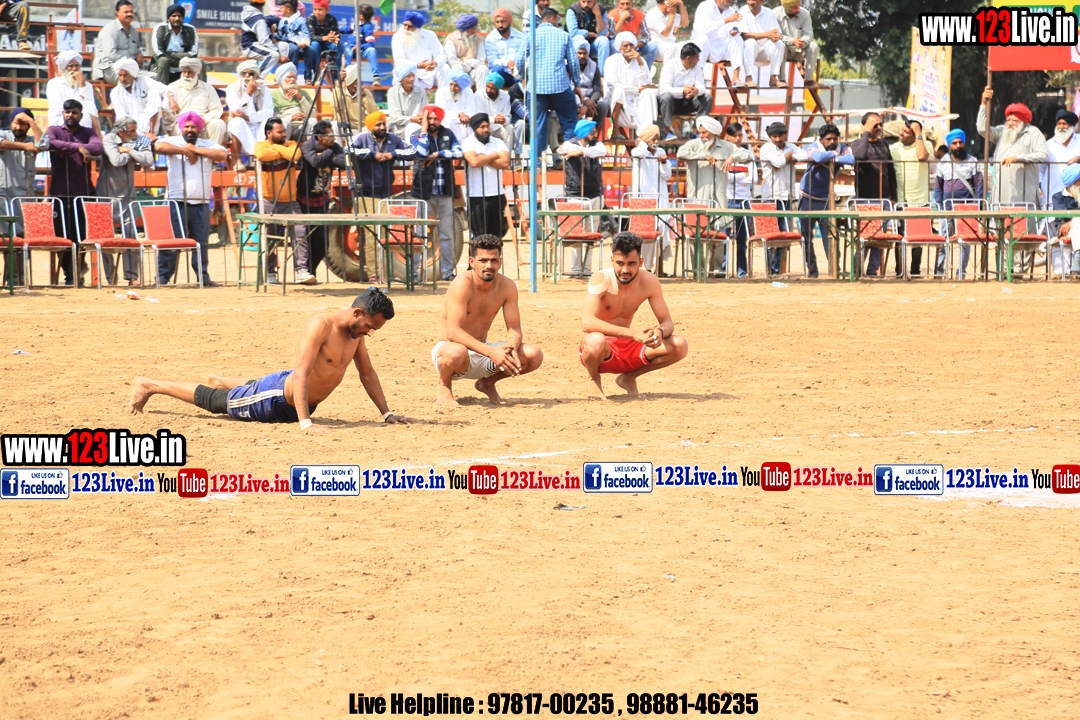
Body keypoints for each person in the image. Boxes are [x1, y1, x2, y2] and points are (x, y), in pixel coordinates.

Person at [129, 289, 410, 427]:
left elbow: (367, 374)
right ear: (357, 313)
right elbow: (301, 374)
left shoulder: (356, 335)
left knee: (252, 388)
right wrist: (305, 422)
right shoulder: (321, 325)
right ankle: (150, 385)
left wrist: (386, 414)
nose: (370, 332)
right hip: (275, 400)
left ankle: (222, 380)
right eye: (370, 326)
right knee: (217, 402)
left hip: (291, 393)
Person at [433, 234, 543, 406]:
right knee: (456, 352)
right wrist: (492, 352)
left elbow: (514, 328)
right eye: (483, 260)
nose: (489, 266)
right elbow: (453, 332)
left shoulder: (507, 286)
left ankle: (487, 383)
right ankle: (444, 384)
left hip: (483, 352)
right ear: (472, 261)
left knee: (533, 355)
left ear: (500, 262)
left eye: (494, 260)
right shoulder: (462, 284)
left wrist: (512, 346)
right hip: (452, 353)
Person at [580, 231, 688, 399]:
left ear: (641, 262)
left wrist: (659, 333)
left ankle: (628, 377)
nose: (625, 270)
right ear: (612, 261)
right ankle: (594, 379)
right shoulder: (601, 278)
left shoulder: (649, 281)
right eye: (620, 263)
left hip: (629, 347)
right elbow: (587, 323)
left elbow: (667, 323)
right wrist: (633, 333)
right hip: (602, 349)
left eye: (631, 264)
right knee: (595, 341)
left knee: (679, 345)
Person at [153, 113, 228, 287]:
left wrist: (194, 150)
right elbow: (159, 145)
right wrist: (184, 150)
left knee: (201, 242)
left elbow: (222, 154)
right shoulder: (173, 141)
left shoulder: (207, 144)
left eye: (193, 126)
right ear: (181, 128)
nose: (190, 129)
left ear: (199, 128)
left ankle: (203, 277)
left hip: (201, 202)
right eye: (186, 126)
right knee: (171, 241)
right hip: (175, 201)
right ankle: (163, 277)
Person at [677, 115, 754, 271]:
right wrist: (702, 156)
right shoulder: (693, 144)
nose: (702, 136)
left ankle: (716, 271)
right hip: (698, 200)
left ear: (713, 133)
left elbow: (748, 156)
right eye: (700, 132)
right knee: (696, 237)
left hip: (719, 200)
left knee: (718, 237)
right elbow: (680, 153)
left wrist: (732, 157)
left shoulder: (726, 146)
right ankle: (698, 270)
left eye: (704, 133)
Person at [351, 110, 415, 280]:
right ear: (371, 126)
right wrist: (373, 154)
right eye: (378, 124)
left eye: (383, 124)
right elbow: (349, 151)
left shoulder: (393, 139)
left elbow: (412, 151)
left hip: (385, 194)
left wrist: (393, 154)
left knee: (386, 235)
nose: (382, 127)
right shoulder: (362, 139)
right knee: (372, 236)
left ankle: (386, 273)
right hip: (366, 195)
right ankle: (374, 274)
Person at [46, 100, 102, 287]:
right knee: (61, 236)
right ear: (63, 113)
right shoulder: (54, 130)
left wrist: (69, 147)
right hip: (59, 193)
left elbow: (98, 147)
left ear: (81, 115)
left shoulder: (88, 132)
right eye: (67, 112)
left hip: (83, 193)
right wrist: (78, 147)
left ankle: (75, 273)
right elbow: (49, 142)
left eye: (74, 112)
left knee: (80, 235)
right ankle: (69, 272)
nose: (70, 115)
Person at [254, 117, 315, 285]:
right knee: (269, 238)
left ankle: (301, 270)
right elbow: (261, 154)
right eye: (279, 132)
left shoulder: (290, 144)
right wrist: (282, 152)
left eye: (284, 131)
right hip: (268, 200)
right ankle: (270, 272)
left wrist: (276, 148)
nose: (283, 134)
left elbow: (294, 155)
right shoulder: (260, 145)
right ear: (269, 133)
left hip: (290, 201)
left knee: (300, 232)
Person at [516, 8, 581, 157]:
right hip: (560, 86)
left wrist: (524, 77)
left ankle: (537, 161)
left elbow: (519, 60)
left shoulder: (530, 36)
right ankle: (571, 158)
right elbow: (573, 62)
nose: (558, 23)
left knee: (537, 124)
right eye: (558, 20)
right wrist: (576, 83)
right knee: (569, 122)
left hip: (536, 87)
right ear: (552, 19)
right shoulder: (564, 35)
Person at [97, 116, 154, 286]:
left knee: (131, 235)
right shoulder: (109, 139)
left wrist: (129, 151)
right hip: (107, 195)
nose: (135, 134)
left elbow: (149, 161)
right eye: (131, 131)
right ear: (121, 132)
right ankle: (111, 277)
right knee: (105, 237)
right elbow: (116, 160)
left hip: (128, 195)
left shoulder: (139, 140)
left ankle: (132, 276)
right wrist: (135, 154)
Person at [411, 105, 462, 281]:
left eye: (435, 119)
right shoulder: (416, 134)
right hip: (423, 192)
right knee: (419, 234)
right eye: (429, 118)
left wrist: (437, 155)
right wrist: (424, 130)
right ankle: (413, 274)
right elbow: (421, 152)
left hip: (444, 192)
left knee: (446, 235)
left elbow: (459, 151)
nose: (433, 122)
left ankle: (447, 273)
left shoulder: (448, 134)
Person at [798, 122, 853, 278]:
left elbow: (851, 159)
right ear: (821, 140)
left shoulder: (842, 147)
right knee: (806, 237)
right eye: (828, 139)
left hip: (826, 199)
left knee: (830, 237)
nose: (832, 142)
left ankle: (835, 270)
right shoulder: (814, 146)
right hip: (808, 197)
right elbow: (817, 157)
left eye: (835, 139)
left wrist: (833, 158)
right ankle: (813, 272)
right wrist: (835, 155)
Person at [977, 89, 1048, 206]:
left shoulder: (1033, 132)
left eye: (1014, 120)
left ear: (1024, 122)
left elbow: (1043, 155)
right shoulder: (1002, 132)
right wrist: (984, 103)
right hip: (1001, 191)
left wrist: (1018, 158)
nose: (1010, 123)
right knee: (1000, 216)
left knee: (1023, 217)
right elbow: (982, 129)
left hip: (1023, 192)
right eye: (1008, 120)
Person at [0, 109, 46, 284]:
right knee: (8, 238)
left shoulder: (33, 139)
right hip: (4, 196)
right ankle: (12, 280)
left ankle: (18, 280)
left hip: (25, 197)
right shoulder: (4, 135)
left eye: (23, 123)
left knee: (22, 237)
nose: (18, 127)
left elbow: (44, 144)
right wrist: (24, 147)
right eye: (16, 122)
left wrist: (33, 122)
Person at [558, 118, 607, 276]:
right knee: (575, 233)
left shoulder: (596, 144)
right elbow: (567, 149)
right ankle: (576, 269)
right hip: (575, 194)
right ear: (584, 133)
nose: (595, 135)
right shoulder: (569, 144)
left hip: (594, 193)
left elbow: (603, 151)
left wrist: (582, 152)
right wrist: (584, 152)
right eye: (592, 132)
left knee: (591, 233)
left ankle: (586, 268)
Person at [851, 111, 898, 276]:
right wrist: (866, 133)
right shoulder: (857, 143)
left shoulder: (884, 144)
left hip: (884, 198)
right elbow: (860, 156)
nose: (877, 127)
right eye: (873, 124)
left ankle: (872, 270)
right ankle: (857, 268)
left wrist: (894, 196)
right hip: (865, 198)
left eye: (879, 124)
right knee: (865, 234)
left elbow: (891, 171)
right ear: (864, 125)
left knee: (879, 236)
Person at [296, 120, 345, 277]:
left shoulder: (333, 146)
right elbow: (315, 162)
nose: (333, 138)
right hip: (304, 198)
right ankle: (303, 271)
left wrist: (326, 156)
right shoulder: (308, 145)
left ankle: (311, 270)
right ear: (319, 137)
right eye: (329, 135)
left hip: (322, 198)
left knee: (323, 242)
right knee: (305, 237)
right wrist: (330, 154)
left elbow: (345, 162)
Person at [933, 128, 983, 279]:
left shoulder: (972, 161)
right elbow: (938, 187)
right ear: (949, 145)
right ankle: (939, 272)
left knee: (965, 241)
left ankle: (961, 272)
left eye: (960, 142)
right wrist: (940, 206)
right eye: (954, 143)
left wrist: (978, 206)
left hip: (967, 208)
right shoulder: (943, 163)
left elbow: (979, 185)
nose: (958, 145)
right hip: (947, 208)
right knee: (943, 240)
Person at [759, 121, 806, 274]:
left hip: (787, 196)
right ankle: (770, 270)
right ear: (770, 137)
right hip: (771, 196)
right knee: (771, 235)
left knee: (784, 234)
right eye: (774, 137)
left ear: (785, 135)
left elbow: (805, 155)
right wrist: (790, 156)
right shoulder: (766, 148)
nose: (778, 139)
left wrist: (788, 156)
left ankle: (777, 270)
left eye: (780, 136)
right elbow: (779, 162)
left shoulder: (790, 146)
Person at [890, 118, 931, 275]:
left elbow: (922, 156)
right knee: (899, 236)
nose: (901, 133)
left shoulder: (925, 145)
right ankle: (900, 270)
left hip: (919, 199)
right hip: (900, 199)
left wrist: (918, 131)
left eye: (906, 132)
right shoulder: (894, 148)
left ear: (915, 135)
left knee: (917, 238)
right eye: (902, 130)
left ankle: (915, 270)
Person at [629, 124, 671, 273]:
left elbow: (667, 175)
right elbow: (639, 152)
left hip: (660, 199)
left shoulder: (661, 152)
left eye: (657, 138)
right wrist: (643, 142)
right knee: (644, 233)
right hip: (643, 200)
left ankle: (658, 268)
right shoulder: (639, 151)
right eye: (653, 138)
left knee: (661, 230)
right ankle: (645, 268)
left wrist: (664, 162)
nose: (656, 141)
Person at [462, 114, 510, 240]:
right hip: (476, 196)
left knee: (496, 237)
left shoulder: (498, 142)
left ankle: (495, 254)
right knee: (479, 236)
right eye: (482, 127)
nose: (486, 130)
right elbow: (474, 162)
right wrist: (494, 155)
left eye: (487, 126)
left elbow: (505, 163)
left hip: (497, 194)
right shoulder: (468, 142)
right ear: (474, 128)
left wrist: (483, 157)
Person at [604, 31, 659, 138]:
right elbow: (613, 85)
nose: (629, 48)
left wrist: (640, 62)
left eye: (631, 45)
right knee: (618, 91)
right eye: (626, 45)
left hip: (636, 101)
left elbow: (646, 84)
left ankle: (646, 135)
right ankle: (615, 130)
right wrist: (636, 90)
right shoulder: (611, 61)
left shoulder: (640, 60)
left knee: (648, 93)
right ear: (620, 47)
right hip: (618, 103)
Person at [722, 121, 757, 278]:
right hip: (727, 200)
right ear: (728, 137)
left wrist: (734, 177)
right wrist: (744, 175)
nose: (738, 139)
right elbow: (725, 178)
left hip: (744, 201)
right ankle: (723, 270)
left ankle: (742, 271)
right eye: (734, 136)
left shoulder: (747, 154)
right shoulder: (723, 154)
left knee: (742, 239)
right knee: (724, 238)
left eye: (740, 135)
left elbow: (754, 179)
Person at [164, 58, 226, 144]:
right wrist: (187, 122)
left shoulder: (207, 88)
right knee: (181, 129)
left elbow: (216, 109)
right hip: (181, 125)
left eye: (190, 72)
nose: (186, 75)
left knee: (218, 124)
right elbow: (169, 113)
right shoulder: (172, 87)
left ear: (197, 73)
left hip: (203, 124)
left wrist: (202, 121)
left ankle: (213, 151)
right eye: (184, 72)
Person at [657, 42, 711, 139]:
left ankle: (696, 131)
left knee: (707, 98)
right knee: (666, 97)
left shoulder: (697, 68)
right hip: (671, 103)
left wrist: (696, 91)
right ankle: (667, 131)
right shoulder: (670, 65)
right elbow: (663, 89)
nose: (698, 60)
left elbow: (702, 87)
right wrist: (682, 91)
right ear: (688, 58)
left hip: (689, 101)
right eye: (697, 57)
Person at [227, 60, 275, 168]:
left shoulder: (265, 90)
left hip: (258, 125)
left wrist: (248, 117)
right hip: (242, 125)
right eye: (244, 73)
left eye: (251, 73)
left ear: (256, 75)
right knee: (236, 122)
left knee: (269, 122)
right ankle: (238, 161)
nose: (247, 76)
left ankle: (260, 158)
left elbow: (268, 112)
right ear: (241, 74)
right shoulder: (232, 88)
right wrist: (248, 94)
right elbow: (234, 109)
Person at [691, 0, 749, 87]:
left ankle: (736, 78)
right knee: (702, 39)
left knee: (738, 39)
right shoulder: (705, 6)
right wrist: (725, 20)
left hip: (722, 46)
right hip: (706, 47)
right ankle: (697, 79)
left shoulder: (731, 10)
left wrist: (734, 31)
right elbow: (704, 29)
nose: (730, 1)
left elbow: (730, 30)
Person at [1043, 109, 1080, 236]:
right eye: (1059, 124)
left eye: (1065, 124)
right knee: (1054, 234)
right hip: (1053, 194)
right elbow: (1041, 170)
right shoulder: (1048, 145)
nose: (1061, 127)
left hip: (1075, 197)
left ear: (1072, 126)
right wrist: (1040, 186)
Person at [391, 10, 446, 90]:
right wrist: (418, 65)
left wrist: (435, 63)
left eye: (410, 26)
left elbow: (442, 55)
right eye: (405, 25)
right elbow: (399, 60)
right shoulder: (397, 37)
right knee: (401, 71)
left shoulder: (430, 35)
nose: (406, 28)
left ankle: (443, 96)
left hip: (428, 72)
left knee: (445, 68)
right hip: (410, 72)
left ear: (417, 27)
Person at [46, 51, 99, 131]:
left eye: (77, 65)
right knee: (79, 116)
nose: (74, 69)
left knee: (85, 116)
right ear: (64, 68)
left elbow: (91, 108)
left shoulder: (87, 85)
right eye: (71, 66)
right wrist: (76, 112)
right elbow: (58, 109)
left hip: (82, 121)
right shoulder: (54, 84)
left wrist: (82, 85)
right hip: (61, 122)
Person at [110, 58, 163, 138]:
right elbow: (122, 117)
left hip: (150, 127)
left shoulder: (144, 82)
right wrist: (143, 133)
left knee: (154, 92)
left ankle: (152, 133)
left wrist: (171, 97)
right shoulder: (115, 93)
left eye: (125, 75)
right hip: (131, 131)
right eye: (120, 75)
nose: (122, 79)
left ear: (133, 76)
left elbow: (163, 89)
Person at [738, 0, 786, 88]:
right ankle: (749, 78)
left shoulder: (769, 12)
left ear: (762, 1)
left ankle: (774, 78)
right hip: (748, 53)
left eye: (754, 0)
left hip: (765, 52)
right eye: (748, 0)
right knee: (751, 42)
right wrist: (767, 34)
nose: (750, 2)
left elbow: (777, 32)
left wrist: (776, 36)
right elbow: (745, 35)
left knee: (779, 44)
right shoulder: (742, 11)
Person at [92, 1, 141, 84]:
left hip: (129, 68)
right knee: (134, 81)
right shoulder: (110, 29)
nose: (129, 14)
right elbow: (110, 54)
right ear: (117, 13)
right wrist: (128, 63)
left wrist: (139, 53)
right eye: (126, 12)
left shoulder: (134, 32)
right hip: (109, 68)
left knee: (153, 77)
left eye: (131, 12)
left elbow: (137, 48)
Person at [151, 4, 200, 86]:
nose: (177, 18)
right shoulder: (160, 28)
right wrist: (181, 57)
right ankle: (161, 91)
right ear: (168, 18)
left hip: (184, 64)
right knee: (163, 61)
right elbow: (158, 52)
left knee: (200, 62)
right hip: (165, 65)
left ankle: (200, 91)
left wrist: (171, 55)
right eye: (174, 16)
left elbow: (193, 53)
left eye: (180, 16)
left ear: (183, 18)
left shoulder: (190, 29)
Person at [774, 0, 818, 87]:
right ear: (787, 8)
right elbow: (776, 35)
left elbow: (809, 34)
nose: (798, 10)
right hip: (784, 51)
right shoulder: (775, 14)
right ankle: (781, 80)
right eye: (795, 8)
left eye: (798, 6)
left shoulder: (805, 14)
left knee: (814, 46)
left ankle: (809, 80)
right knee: (780, 45)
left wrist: (802, 42)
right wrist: (792, 41)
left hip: (800, 51)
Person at [476, 72, 520, 154]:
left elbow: (508, 116)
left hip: (498, 128)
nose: (489, 90)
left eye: (492, 88)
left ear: (498, 88)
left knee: (509, 128)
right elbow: (479, 117)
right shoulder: (479, 95)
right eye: (487, 86)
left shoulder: (505, 96)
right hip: (483, 127)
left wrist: (504, 120)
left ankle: (506, 158)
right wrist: (494, 119)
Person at [241, 0, 290, 74]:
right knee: (274, 55)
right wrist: (279, 54)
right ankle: (257, 77)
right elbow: (264, 40)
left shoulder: (249, 12)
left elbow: (265, 36)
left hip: (258, 45)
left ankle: (281, 77)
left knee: (284, 45)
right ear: (263, 4)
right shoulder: (258, 18)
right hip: (250, 47)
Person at [606, 0, 657, 69]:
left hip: (635, 46)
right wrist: (622, 18)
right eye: (622, 4)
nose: (625, 7)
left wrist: (634, 45)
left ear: (632, 4)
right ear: (618, 5)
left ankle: (645, 70)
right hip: (620, 48)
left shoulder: (639, 14)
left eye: (627, 4)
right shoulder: (613, 15)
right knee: (612, 44)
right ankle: (619, 69)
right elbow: (612, 35)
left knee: (653, 46)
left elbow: (647, 36)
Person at [271, 62, 315, 141]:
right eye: (289, 77)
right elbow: (274, 116)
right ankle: (284, 146)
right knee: (285, 121)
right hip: (284, 128)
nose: (292, 79)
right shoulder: (274, 95)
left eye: (294, 77)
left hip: (301, 129)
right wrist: (291, 117)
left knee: (313, 121)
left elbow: (313, 115)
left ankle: (310, 146)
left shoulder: (303, 93)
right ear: (281, 79)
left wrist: (301, 98)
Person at [445, 14, 489, 91]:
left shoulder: (479, 39)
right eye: (472, 28)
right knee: (457, 67)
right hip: (460, 71)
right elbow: (452, 61)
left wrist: (465, 60)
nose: (475, 31)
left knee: (483, 68)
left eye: (475, 28)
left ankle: (481, 96)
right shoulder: (451, 39)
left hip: (473, 71)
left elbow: (481, 61)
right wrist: (469, 67)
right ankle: (462, 95)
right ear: (464, 29)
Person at [435, 70, 478, 143]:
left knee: (472, 125)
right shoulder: (441, 92)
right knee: (446, 123)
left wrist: (464, 117)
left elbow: (471, 112)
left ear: (462, 86)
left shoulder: (468, 92)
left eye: (456, 85)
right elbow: (441, 113)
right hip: (446, 123)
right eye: (451, 84)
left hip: (463, 124)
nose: (452, 88)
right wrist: (459, 114)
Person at [566, 0, 610, 72]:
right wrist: (591, 34)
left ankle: (601, 73)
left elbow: (602, 33)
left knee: (604, 40)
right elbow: (573, 33)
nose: (586, 4)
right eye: (583, 1)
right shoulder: (572, 10)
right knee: (580, 38)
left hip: (592, 45)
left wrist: (598, 15)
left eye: (589, 2)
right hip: (576, 46)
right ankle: (576, 72)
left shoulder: (602, 10)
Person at [277, 0, 316, 80]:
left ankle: (308, 77)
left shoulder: (301, 21)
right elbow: (280, 37)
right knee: (294, 49)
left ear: (288, 10)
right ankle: (292, 76)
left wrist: (304, 43)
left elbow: (306, 35)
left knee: (310, 50)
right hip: (288, 45)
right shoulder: (282, 21)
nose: (281, 10)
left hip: (301, 45)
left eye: (282, 8)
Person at [339, 63, 380, 134]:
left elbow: (373, 112)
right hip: (344, 127)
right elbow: (336, 108)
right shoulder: (339, 91)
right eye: (355, 81)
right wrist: (339, 86)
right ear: (349, 82)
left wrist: (364, 97)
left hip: (362, 128)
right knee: (334, 124)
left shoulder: (365, 92)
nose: (357, 83)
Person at [387, 64, 426, 139]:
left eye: (413, 76)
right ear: (401, 79)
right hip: (399, 131)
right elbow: (395, 117)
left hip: (417, 129)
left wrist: (419, 119)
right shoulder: (392, 92)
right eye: (408, 77)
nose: (412, 79)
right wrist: (411, 119)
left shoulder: (421, 91)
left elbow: (424, 112)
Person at [308, 0, 344, 79]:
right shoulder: (311, 19)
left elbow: (337, 33)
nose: (317, 12)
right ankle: (316, 74)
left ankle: (335, 76)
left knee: (339, 46)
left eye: (320, 10)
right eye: (315, 9)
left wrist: (335, 38)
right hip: (316, 45)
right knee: (315, 44)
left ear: (327, 10)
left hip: (327, 44)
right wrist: (324, 38)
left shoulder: (332, 19)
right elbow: (311, 36)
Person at [645, 0, 687, 65]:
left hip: (673, 45)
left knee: (690, 45)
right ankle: (668, 71)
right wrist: (671, 15)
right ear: (666, 2)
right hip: (657, 49)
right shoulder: (652, 14)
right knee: (672, 47)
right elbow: (666, 33)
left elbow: (685, 23)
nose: (675, 2)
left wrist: (681, 4)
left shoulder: (669, 12)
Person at [486, 8, 524, 77]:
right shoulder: (491, 39)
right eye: (497, 22)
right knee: (497, 70)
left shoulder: (520, 37)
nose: (500, 25)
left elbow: (523, 57)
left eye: (503, 21)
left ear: (509, 22)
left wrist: (515, 67)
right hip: (501, 73)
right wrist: (507, 63)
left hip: (516, 71)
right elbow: (492, 61)